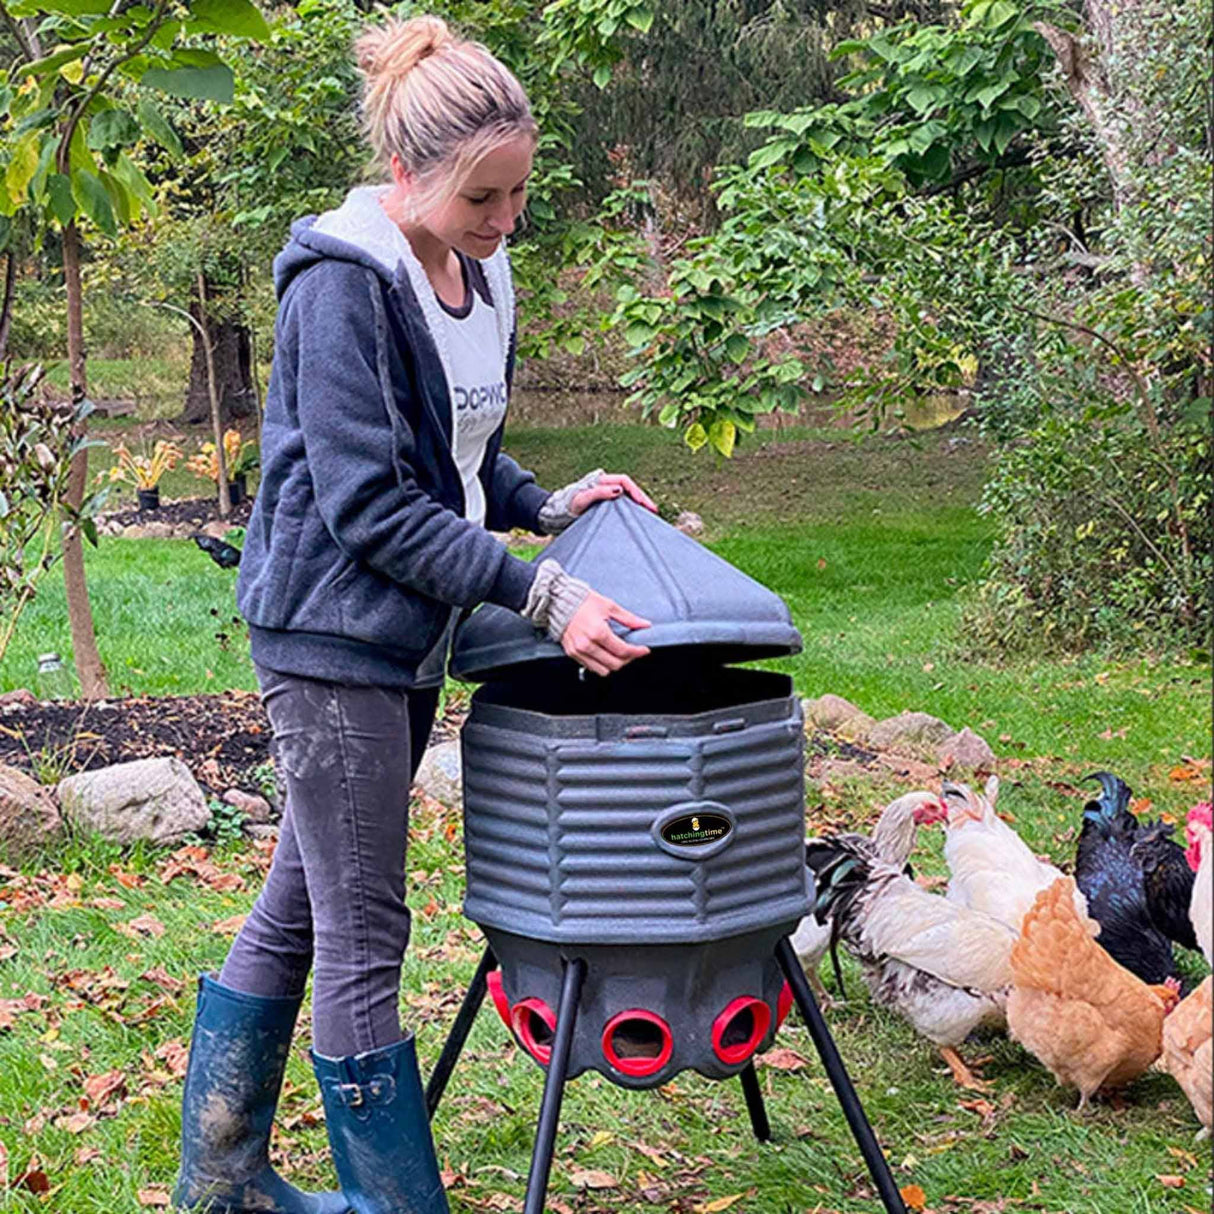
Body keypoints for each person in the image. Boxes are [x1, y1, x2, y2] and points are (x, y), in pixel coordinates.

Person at [172, 15, 656, 1214]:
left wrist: (541, 505)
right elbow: (370, 502)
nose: (504, 219)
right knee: (363, 932)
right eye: (483, 195)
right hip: (331, 632)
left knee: (303, 897)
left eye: (516, 192)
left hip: (401, 632)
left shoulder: (474, 270)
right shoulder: (342, 286)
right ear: (409, 170)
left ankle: (220, 1180)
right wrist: (539, 593)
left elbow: (454, 450)